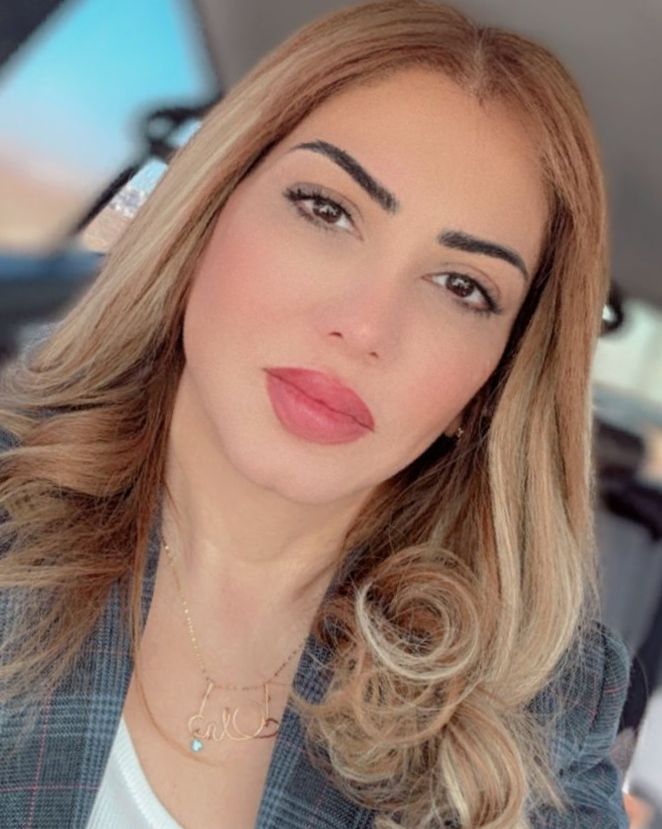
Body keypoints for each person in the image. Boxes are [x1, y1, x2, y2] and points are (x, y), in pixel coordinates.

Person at [0, 1, 632, 827]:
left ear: (491, 385)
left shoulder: (542, 701)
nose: (365, 327)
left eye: (462, 287)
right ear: (208, 210)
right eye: (327, 210)